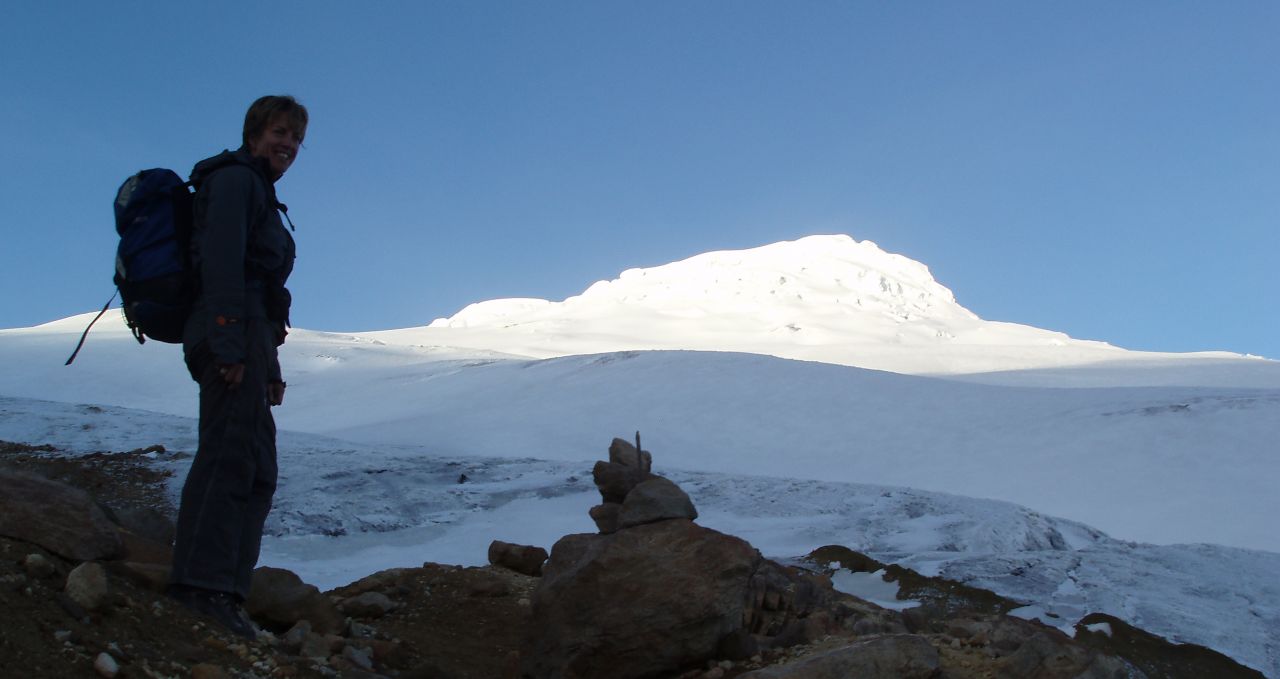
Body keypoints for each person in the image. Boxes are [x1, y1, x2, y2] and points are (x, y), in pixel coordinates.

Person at [167, 95, 307, 639]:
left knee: (256, 469)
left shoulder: (261, 192)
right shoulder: (233, 182)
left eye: (296, 139)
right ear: (254, 132)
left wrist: (268, 366)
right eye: (280, 132)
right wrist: (228, 345)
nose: (289, 145)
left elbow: (260, 288)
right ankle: (199, 586)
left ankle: (228, 590)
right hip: (226, 330)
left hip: (249, 338)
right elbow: (223, 263)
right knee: (228, 456)